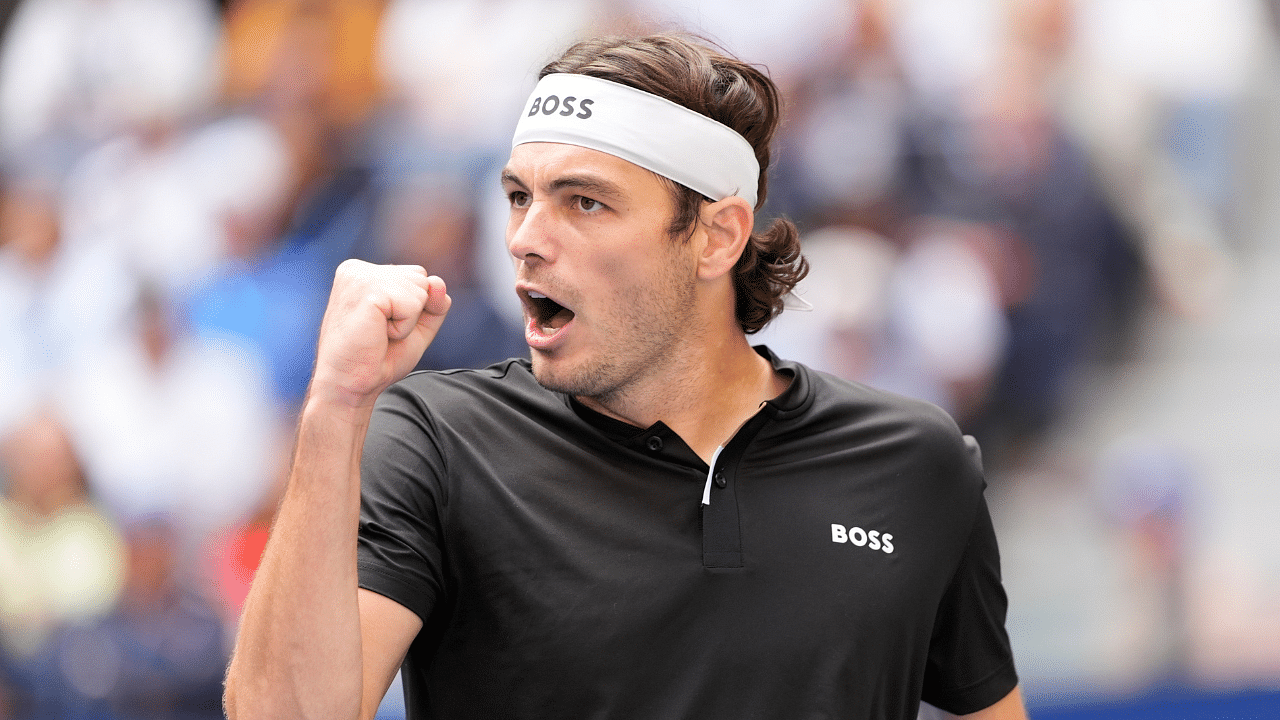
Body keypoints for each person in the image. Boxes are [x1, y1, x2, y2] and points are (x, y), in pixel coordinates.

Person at [223, 33, 1026, 720]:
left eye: (584, 203)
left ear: (717, 237)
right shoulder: (433, 441)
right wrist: (335, 406)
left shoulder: (917, 463)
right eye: (518, 196)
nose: (525, 239)